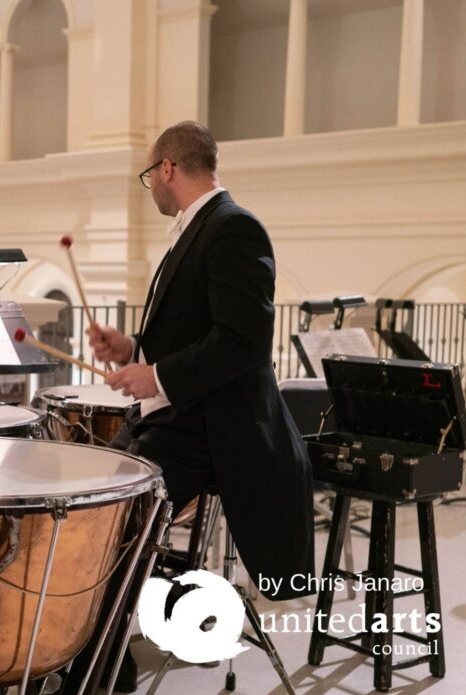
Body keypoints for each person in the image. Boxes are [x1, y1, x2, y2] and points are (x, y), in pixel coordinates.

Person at [89, 121, 315, 599]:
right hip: (177, 416)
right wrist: (132, 348)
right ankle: (100, 654)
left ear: (167, 168)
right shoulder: (200, 226)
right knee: (92, 503)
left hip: (211, 427)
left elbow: (243, 340)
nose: (151, 188)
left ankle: (105, 662)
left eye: (150, 176)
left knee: (113, 519)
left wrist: (158, 375)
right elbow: (196, 327)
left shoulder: (234, 227)